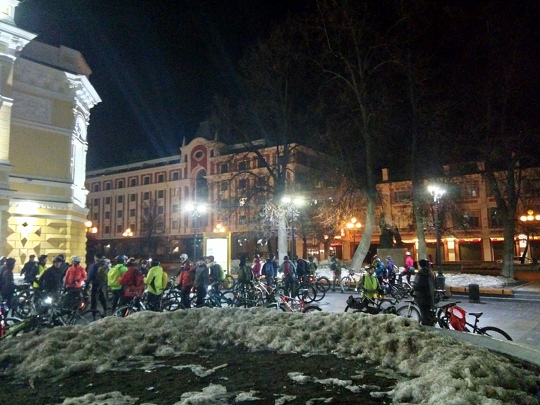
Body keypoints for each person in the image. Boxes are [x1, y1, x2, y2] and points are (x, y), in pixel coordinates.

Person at [413, 258, 436, 326]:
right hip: (430, 295)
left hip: (422, 296)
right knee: (427, 312)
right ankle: (430, 323)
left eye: (418, 264)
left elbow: (417, 285)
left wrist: (413, 289)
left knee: (423, 313)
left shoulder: (420, 273)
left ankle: (426, 326)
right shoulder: (431, 272)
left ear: (420, 265)